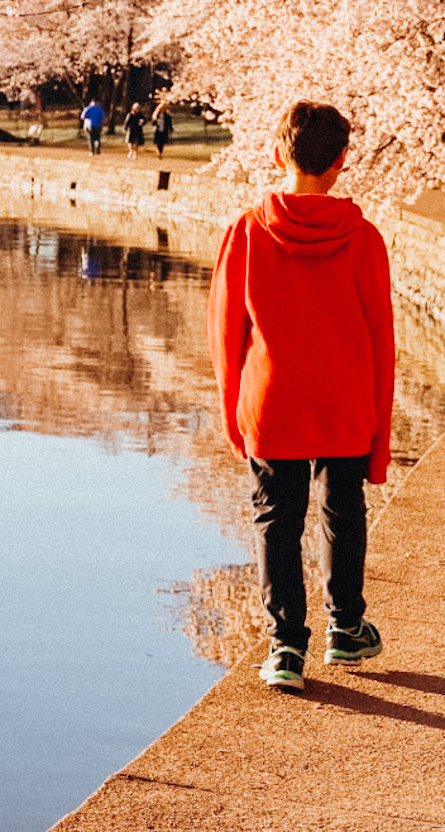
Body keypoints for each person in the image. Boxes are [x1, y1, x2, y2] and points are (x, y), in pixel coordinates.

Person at [208, 101, 395, 693]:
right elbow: (382, 341)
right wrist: (381, 439)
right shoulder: (364, 240)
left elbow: (224, 336)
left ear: (274, 153)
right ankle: (346, 628)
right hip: (344, 401)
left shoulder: (245, 231)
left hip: (272, 399)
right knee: (343, 511)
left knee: (275, 519)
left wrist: (233, 416)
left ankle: (286, 647)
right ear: (342, 162)